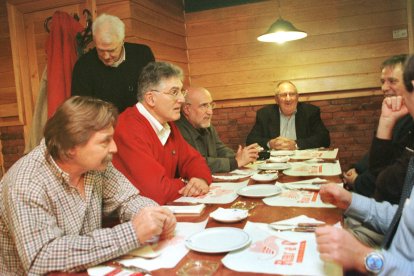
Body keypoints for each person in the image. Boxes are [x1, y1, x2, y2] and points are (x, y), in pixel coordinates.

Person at [0, 96, 176, 275]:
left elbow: (128, 199)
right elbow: (42, 257)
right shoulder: (26, 183)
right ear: (70, 147)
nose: (114, 148)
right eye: (105, 141)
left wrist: (155, 214)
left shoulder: (94, 165)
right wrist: (131, 233)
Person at [315, 55, 414, 275]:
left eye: (396, 82)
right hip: (386, 241)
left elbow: (381, 184)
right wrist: (351, 201)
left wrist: (364, 257)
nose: (385, 89)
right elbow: (403, 217)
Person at [112, 62, 212, 205]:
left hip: (161, 211)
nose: (182, 99)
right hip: (130, 222)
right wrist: (186, 183)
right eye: (174, 92)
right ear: (151, 98)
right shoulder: (128, 127)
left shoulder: (167, 124)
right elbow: (155, 193)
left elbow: (193, 160)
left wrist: (200, 179)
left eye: (181, 91)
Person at [343, 54, 414, 198]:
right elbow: (377, 160)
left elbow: (388, 184)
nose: (384, 87)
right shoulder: (396, 114)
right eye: (382, 81)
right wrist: (356, 168)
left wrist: (357, 181)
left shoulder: (409, 121)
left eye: (392, 81)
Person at [71, 13, 155, 113]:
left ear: (122, 41)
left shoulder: (142, 55)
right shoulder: (83, 66)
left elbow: (153, 92)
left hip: (139, 121)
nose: (106, 56)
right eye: (100, 50)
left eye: (111, 50)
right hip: (103, 125)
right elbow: (81, 110)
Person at [175, 87, 260, 173]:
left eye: (210, 105)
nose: (210, 112)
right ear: (187, 109)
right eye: (204, 106)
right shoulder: (177, 130)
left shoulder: (206, 126)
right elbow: (195, 163)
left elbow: (220, 149)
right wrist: (235, 162)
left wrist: (238, 156)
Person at [246, 80, 330, 150]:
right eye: (283, 95)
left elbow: (324, 139)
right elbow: (250, 140)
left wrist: (296, 144)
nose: (288, 99)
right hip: (275, 162)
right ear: (276, 99)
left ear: (297, 97)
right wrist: (270, 143)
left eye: (292, 94)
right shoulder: (264, 114)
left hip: (302, 160)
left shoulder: (310, 112)